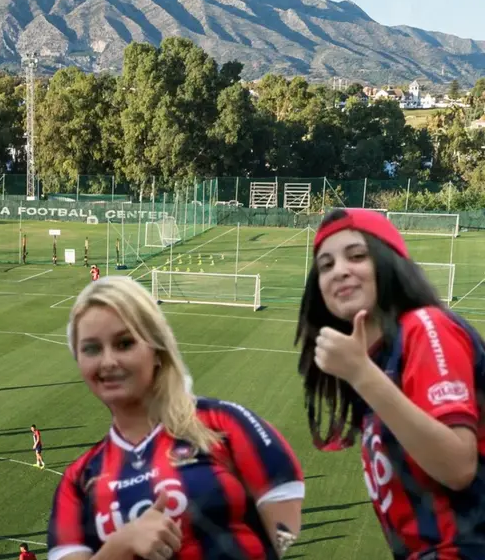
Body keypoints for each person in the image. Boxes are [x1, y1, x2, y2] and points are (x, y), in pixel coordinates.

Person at [48, 276, 304, 560]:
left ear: (157, 351)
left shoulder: (223, 422)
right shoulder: (78, 479)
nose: (108, 362)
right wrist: (122, 545)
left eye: (124, 343)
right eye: (91, 348)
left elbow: (284, 506)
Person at [297, 208, 485, 558]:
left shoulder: (426, 327)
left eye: (357, 255)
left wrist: (361, 374)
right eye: (325, 265)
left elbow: (458, 467)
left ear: (389, 263)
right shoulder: (382, 361)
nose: (339, 270)